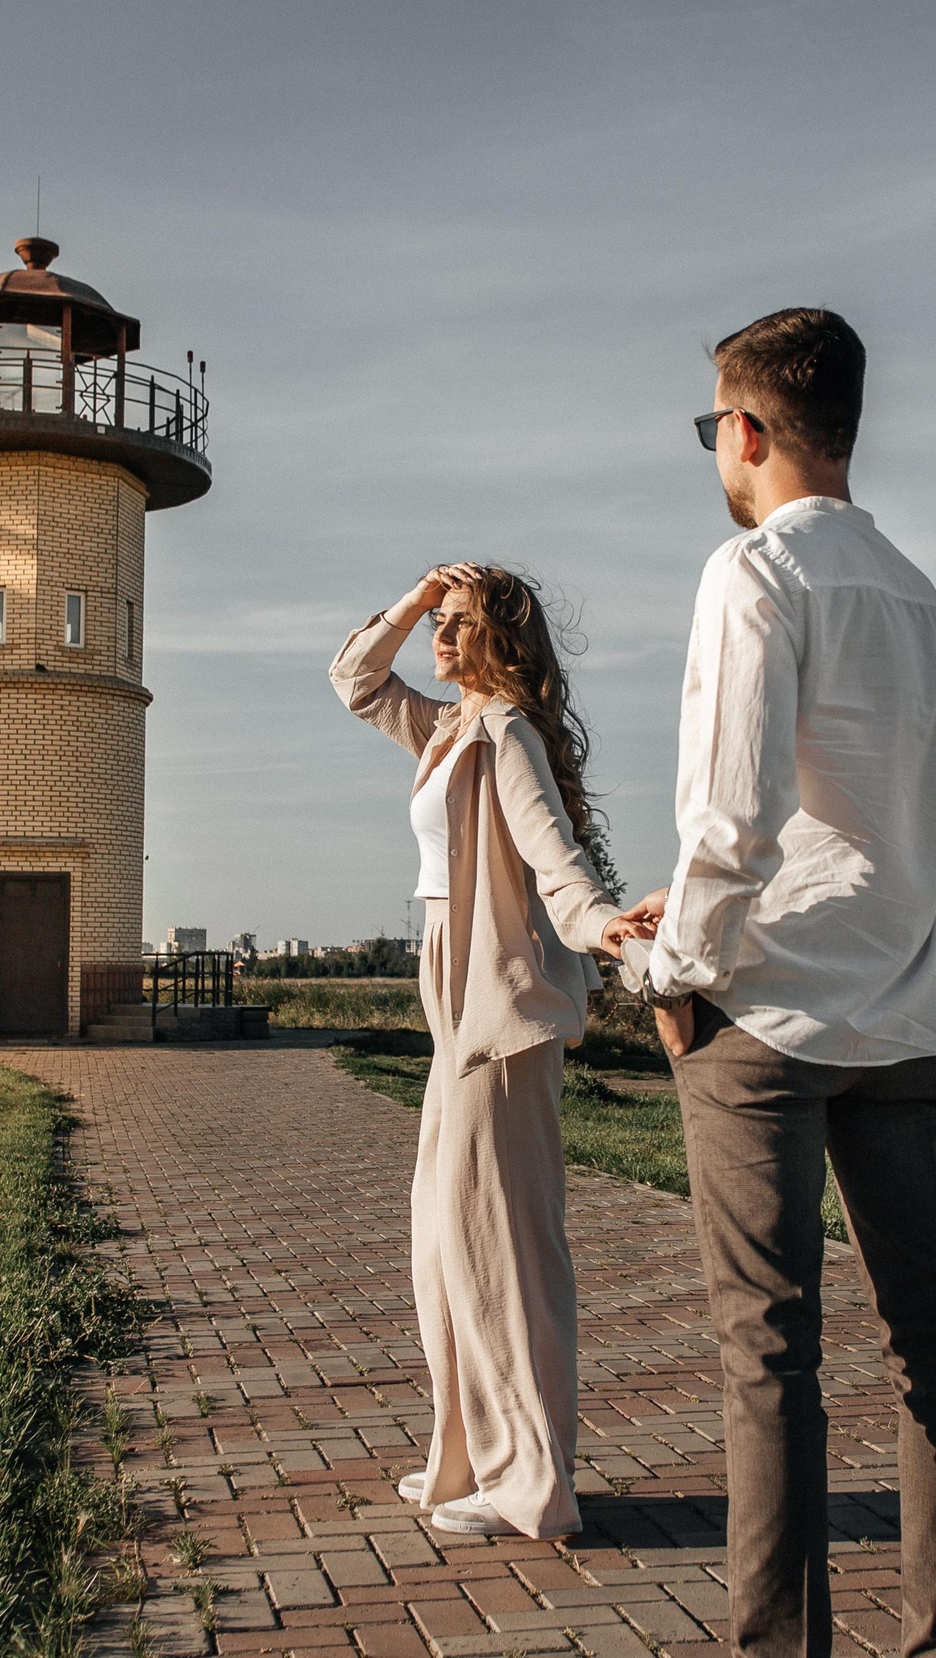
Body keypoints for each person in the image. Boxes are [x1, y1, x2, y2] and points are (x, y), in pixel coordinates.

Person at [615, 309, 936, 1656]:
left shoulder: (755, 571)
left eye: (712, 428)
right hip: (907, 1000)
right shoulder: (917, 590)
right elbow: (875, 816)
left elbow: (735, 816)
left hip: (766, 1011)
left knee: (769, 1354)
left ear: (745, 428)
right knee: (931, 1340)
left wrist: (671, 968)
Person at [329, 562, 641, 1539]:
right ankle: (470, 1460)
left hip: (500, 1011)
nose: (441, 636)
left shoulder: (505, 733)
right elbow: (354, 679)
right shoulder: (446, 728)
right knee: (443, 1245)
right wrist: (415, 597)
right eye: (440, 622)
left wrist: (604, 925)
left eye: (460, 622)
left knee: (502, 1251)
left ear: (502, 641)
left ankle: (531, 1483)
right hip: (455, 1013)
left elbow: (554, 859)